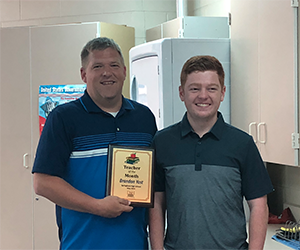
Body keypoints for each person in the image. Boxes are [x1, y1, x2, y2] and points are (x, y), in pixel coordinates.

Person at [32, 37, 157, 249]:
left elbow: (155, 183)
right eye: (97, 66)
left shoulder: (143, 118)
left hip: (134, 244)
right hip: (81, 244)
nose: (107, 73)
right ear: (84, 74)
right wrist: (97, 206)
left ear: (125, 71)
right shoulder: (63, 118)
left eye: (114, 65)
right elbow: (42, 182)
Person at [149, 55, 273, 250]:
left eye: (211, 88)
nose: (203, 95)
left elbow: (258, 205)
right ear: (182, 93)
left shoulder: (242, 143)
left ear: (222, 93)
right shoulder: (162, 142)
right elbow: (156, 204)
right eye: (194, 88)